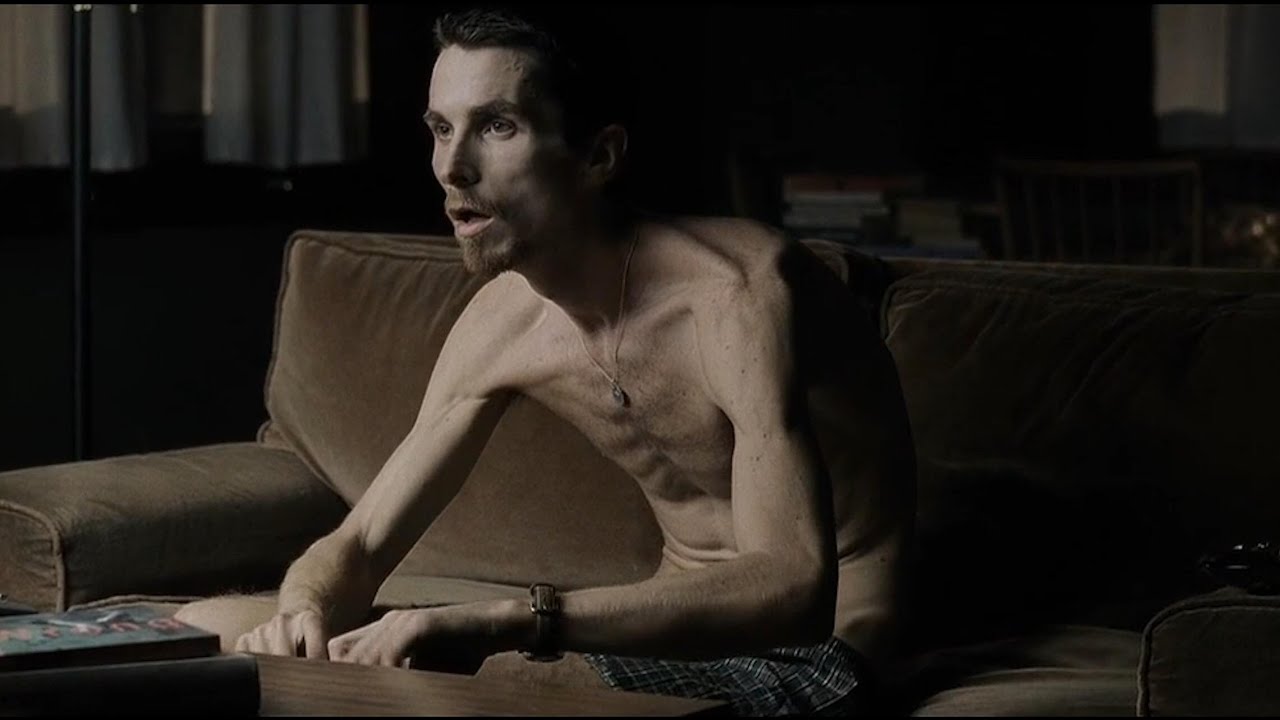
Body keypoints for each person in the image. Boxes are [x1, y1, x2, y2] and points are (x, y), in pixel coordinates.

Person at [175, 6, 916, 716]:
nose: (452, 168)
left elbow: (793, 586)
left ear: (598, 155)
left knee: (502, 678)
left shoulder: (738, 296)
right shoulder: (504, 321)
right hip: (665, 644)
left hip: (816, 654)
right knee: (202, 627)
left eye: (497, 126)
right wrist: (301, 615)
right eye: (441, 129)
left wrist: (506, 621)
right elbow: (361, 543)